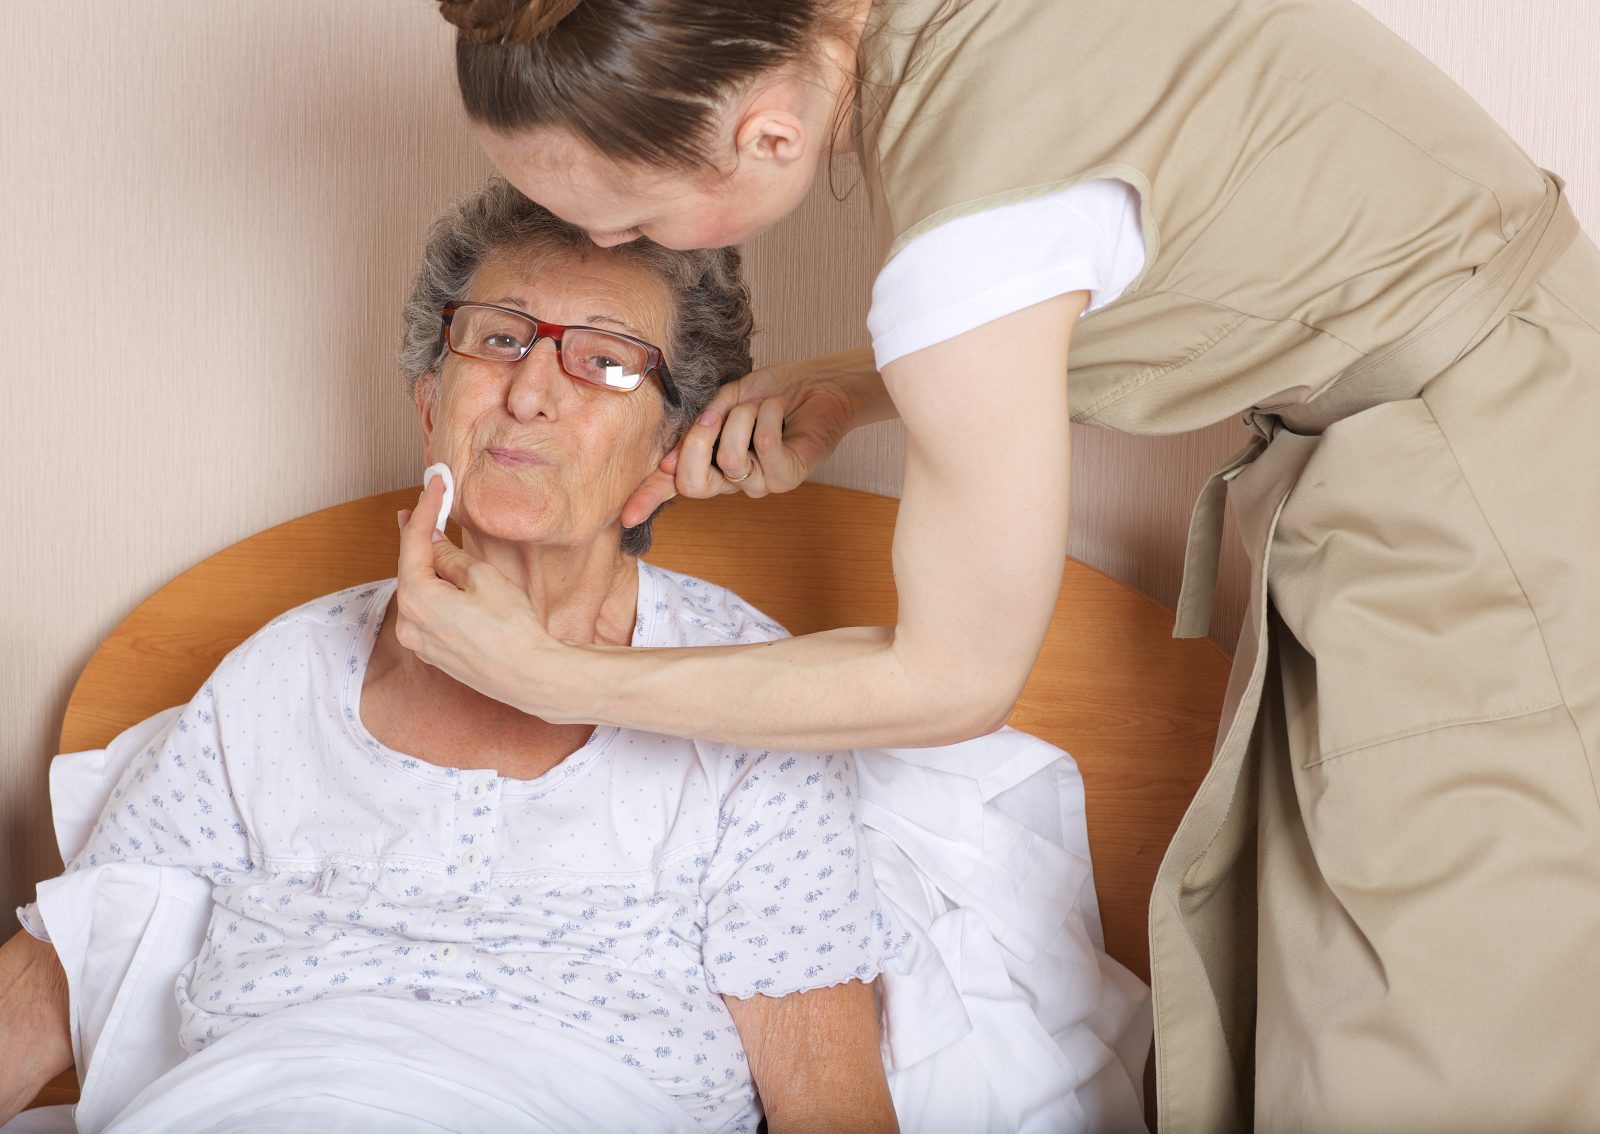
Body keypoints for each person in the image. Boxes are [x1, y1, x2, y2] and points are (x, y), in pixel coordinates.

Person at [392, 1, 1600, 1131]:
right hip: (1509, 412)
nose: (599, 248)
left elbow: (953, 687)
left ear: (762, 138)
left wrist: (557, 679)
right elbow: (1195, 214)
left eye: (636, 224)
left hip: (1493, 498)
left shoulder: (966, 238)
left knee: (1438, 1047)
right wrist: (872, 386)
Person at [0, 179, 904, 1134]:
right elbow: (42, 992)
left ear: (668, 449)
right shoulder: (282, 678)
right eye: (502, 339)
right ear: (432, 401)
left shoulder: (754, 697)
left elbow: (832, 1106)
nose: (531, 390)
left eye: (605, 361)